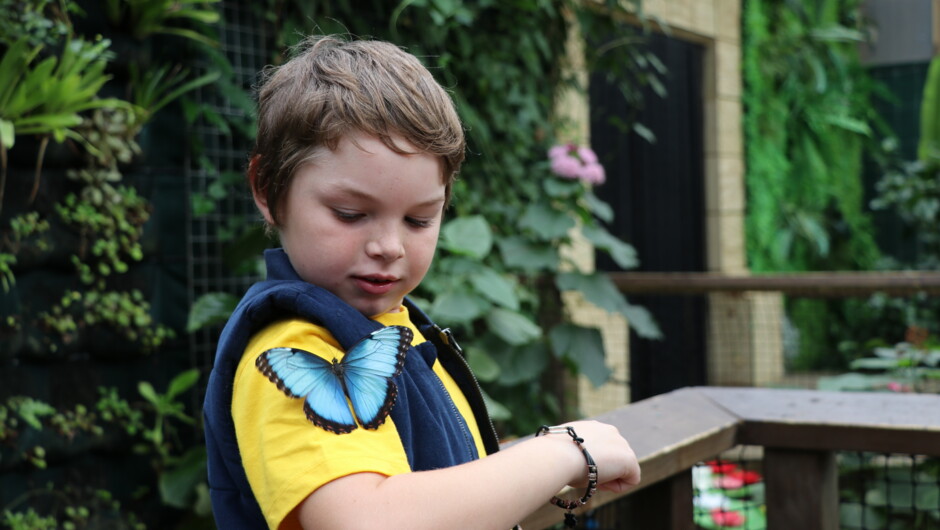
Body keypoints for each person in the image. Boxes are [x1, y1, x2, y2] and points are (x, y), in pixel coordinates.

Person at [203, 34, 641, 530]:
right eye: (350, 214)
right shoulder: (290, 352)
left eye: (418, 220)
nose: (389, 246)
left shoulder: (392, 324)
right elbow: (368, 519)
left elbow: (440, 486)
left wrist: (540, 459)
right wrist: (562, 454)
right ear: (267, 188)